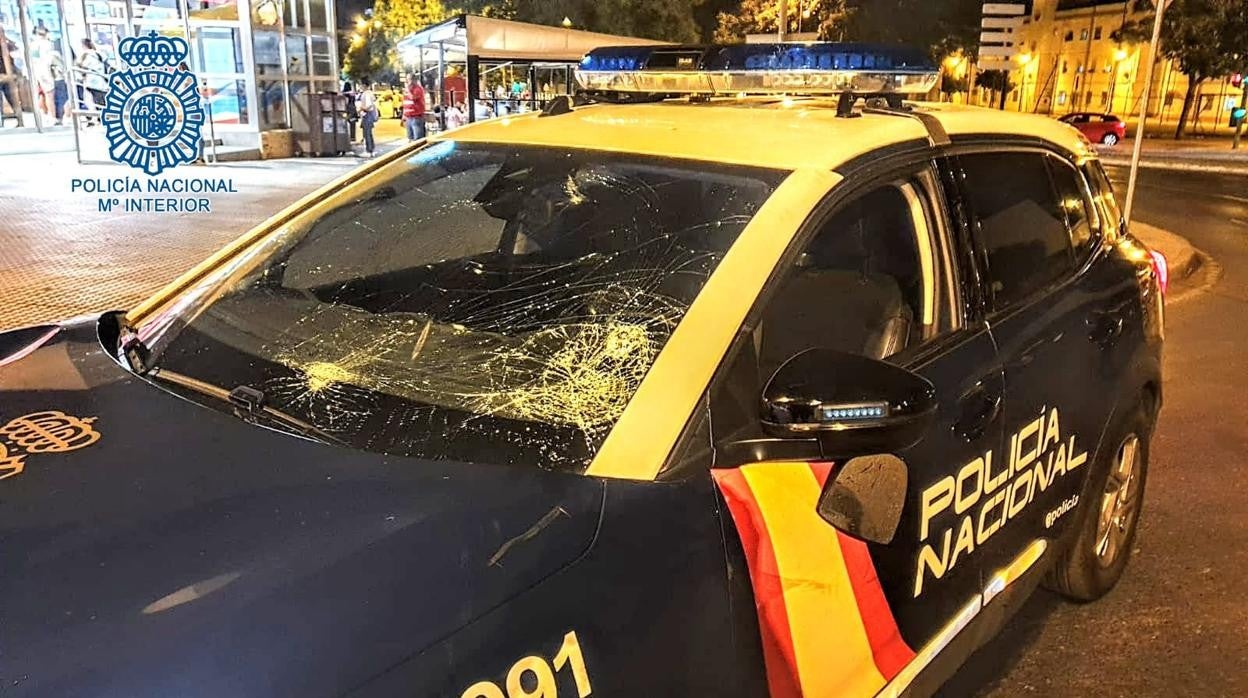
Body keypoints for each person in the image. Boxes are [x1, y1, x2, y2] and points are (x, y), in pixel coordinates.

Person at [75, 38, 108, 119]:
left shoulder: (83, 55)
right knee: (100, 98)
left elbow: (79, 66)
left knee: (89, 99)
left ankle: (95, 116)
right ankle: (102, 115)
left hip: (90, 80)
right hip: (101, 79)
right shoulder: (99, 53)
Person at [355, 83, 378, 157]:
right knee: (368, 133)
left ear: (364, 85)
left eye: (361, 85)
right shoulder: (369, 93)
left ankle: (369, 150)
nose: (360, 87)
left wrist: (361, 109)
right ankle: (371, 150)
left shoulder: (366, 94)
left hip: (367, 115)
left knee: (367, 133)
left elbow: (368, 106)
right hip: (368, 115)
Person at [401, 73, 426, 141]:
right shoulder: (406, 90)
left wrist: (408, 90)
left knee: (418, 139)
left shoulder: (418, 89)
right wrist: (403, 116)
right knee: (410, 137)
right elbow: (405, 103)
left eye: (410, 79)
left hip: (416, 117)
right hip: (408, 117)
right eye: (407, 79)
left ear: (414, 80)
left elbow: (413, 97)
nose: (408, 81)